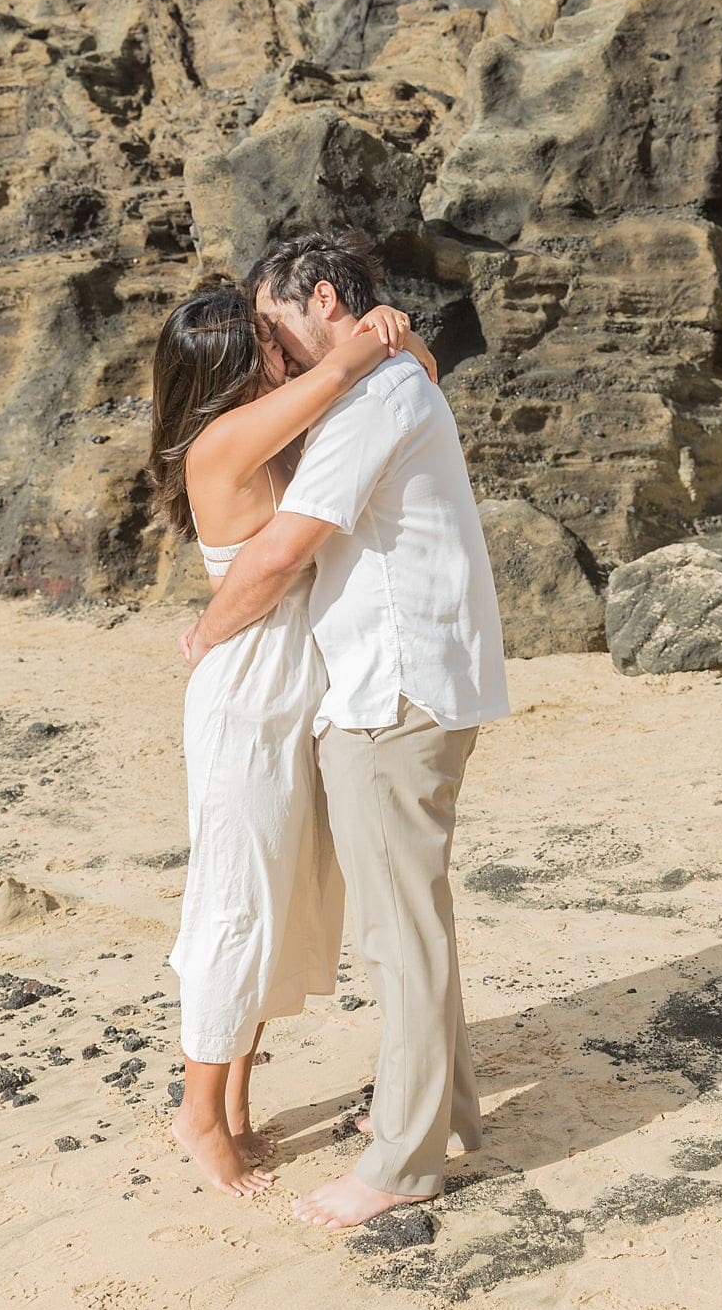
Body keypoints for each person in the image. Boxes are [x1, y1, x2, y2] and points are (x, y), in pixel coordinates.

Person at [180, 230, 510, 1230]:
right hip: (393, 684)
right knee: (409, 921)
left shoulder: (375, 393)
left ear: (320, 298)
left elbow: (286, 548)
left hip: (394, 689)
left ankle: (403, 1161)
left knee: (396, 932)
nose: (273, 358)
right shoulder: (380, 381)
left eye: (277, 331)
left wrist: (202, 632)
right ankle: (439, 1117)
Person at [148, 280, 438, 1198]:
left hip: (292, 689)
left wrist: (399, 339)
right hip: (247, 695)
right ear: (235, 367)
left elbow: (397, 385)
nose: (282, 350)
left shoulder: (273, 433)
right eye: (266, 342)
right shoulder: (225, 442)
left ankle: (232, 1100)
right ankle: (197, 1114)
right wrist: (376, 326)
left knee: (274, 901)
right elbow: (354, 363)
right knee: (235, 902)